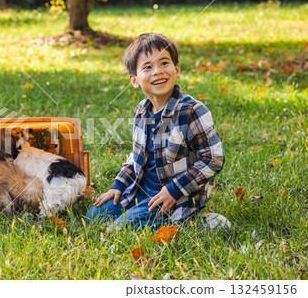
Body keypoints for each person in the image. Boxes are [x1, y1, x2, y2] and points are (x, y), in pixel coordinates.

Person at [86, 33, 225, 229]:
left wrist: (174, 190)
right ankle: (141, 213)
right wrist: (118, 186)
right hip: (141, 191)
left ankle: (199, 222)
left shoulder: (191, 111)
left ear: (176, 70)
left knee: (121, 229)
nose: (158, 71)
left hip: (177, 196)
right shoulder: (142, 111)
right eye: (148, 67)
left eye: (164, 63)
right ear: (135, 80)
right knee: (95, 216)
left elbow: (214, 158)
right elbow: (136, 157)